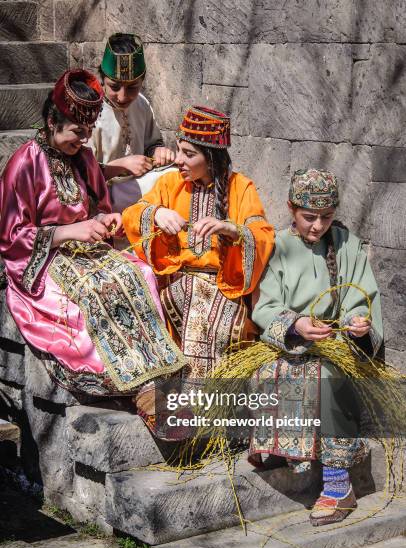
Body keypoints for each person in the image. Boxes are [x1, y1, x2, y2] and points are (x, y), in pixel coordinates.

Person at [0, 69, 186, 397]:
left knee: (137, 272)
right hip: (45, 260)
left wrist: (106, 221)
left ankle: (154, 369)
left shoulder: (85, 159)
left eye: (87, 132)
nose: (83, 140)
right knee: (89, 292)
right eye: (76, 131)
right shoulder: (24, 164)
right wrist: (70, 231)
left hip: (87, 250)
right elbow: (12, 238)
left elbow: (97, 208)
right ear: (51, 121)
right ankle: (119, 378)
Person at [122, 105, 275, 435]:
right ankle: (174, 405)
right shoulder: (170, 184)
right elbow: (133, 215)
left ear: (212, 157)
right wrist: (156, 214)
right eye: (179, 149)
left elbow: (261, 234)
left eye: (188, 153)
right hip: (176, 281)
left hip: (223, 285)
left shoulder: (241, 188)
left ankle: (194, 408)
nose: (178, 160)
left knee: (207, 308)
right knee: (178, 299)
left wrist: (231, 231)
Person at [250, 168, 383, 526]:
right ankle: (284, 452)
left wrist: (358, 323)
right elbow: (264, 305)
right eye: (309, 217)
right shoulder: (277, 246)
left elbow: (361, 296)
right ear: (292, 209)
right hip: (287, 343)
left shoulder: (346, 244)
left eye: (326, 217)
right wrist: (295, 325)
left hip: (335, 344)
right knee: (266, 374)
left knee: (325, 376)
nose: (317, 226)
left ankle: (339, 485)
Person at [88, 33, 176, 232]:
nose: (122, 96)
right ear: (102, 79)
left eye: (132, 88)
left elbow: (152, 143)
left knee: (176, 176)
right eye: (114, 86)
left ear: (142, 81)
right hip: (101, 195)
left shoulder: (142, 104)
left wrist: (158, 152)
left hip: (138, 185)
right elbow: (78, 173)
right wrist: (119, 166)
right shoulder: (89, 110)